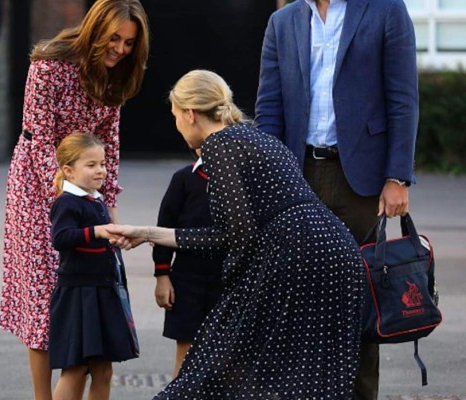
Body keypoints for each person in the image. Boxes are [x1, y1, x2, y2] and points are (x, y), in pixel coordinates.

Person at [107, 69, 365, 399]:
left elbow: (233, 236)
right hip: (336, 251)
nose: (176, 126)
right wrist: (147, 233)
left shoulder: (219, 146)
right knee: (310, 380)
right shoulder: (255, 137)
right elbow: (236, 230)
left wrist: (231, 295)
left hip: (295, 256)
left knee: (212, 367)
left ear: (189, 114)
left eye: (175, 116)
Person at [254, 1, 419, 399]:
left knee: (362, 304)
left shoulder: (385, 10)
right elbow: (269, 107)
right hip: (298, 177)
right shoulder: (284, 21)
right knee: (297, 303)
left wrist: (397, 177)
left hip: (359, 181)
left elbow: (403, 98)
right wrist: (269, 180)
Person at [0, 1, 149, 399]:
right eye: (113, 38)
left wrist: (108, 206)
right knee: (44, 295)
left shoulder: (115, 77)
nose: (119, 49)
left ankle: (75, 385)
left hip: (87, 185)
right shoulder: (50, 65)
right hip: (36, 186)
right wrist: (69, 196)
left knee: (83, 289)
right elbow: (39, 140)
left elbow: (109, 147)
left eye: (129, 43)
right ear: (95, 28)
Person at [48, 132, 138, 400]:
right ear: (68, 170)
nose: (101, 170)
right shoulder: (67, 202)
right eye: (91, 165)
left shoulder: (95, 199)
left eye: (103, 163)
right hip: (79, 294)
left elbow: (101, 239)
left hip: (103, 292)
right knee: (75, 368)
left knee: (104, 370)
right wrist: (97, 232)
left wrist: (119, 239)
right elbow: (61, 238)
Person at [153, 149, 224, 379]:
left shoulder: (242, 180)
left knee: (228, 353)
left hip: (229, 278)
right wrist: (162, 275)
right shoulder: (184, 178)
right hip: (187, 277)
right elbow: (164, 228)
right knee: (187, 350)